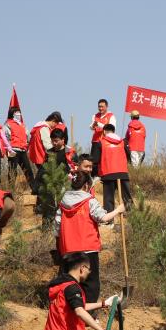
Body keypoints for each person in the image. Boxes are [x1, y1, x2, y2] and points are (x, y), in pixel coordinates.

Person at [55, 171, 124, 303]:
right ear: (86, 185)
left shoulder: (63, 203)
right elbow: (102, 218)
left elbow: (57, 228)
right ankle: (88, 311)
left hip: (68, 249)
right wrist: (118, 210)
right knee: (90, 284)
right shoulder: (89, 201)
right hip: (87, 249)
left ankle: (69, 309)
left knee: (69, 282)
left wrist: (59, 247)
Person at [35, 129, 77, 217]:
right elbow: (44, 167)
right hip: (51, 183)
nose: (54, 143)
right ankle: (48, 220)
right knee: (49, 204)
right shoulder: (49, 152)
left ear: (63, 140)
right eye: (52, 141)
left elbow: (75, 167)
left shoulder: (70, 152)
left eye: (56, 141)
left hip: (65, 182)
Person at [98, 124, 133, 214]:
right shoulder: (122, 142)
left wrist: (97, 173)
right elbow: (129, 155)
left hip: (108, 173)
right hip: (122, 173)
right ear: (114, 131)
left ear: (104, 131)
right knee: (127, 197)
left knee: (108, 199)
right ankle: (132, 216)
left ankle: (109, 219)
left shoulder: (101, 142)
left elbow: (96, 159)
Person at [5, 106, 35, 189]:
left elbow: (28, 136)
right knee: (12, 171)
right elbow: (5, 137)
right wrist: (9, 149)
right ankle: (11, 190)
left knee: (28, 170)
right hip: (13, 150)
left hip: (22, 150)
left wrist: (27, 145)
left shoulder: (22, 125)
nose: (18, 114)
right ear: (12, 114)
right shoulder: (8, 124)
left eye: (19, 112)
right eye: (16, 112)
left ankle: (34, 189)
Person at [89, 99, 116, 177]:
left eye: (102, 106)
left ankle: (105, 176)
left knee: (105, 160)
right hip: (96, 141)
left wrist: (99, 124)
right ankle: (94, 177)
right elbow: (91, 127)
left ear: (107, 107)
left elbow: (112, 128)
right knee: (94, 161)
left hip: (106, 142)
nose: (100, 108)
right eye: (99, 106)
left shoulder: (111, 116)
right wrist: (93, 125)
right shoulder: (95, 116)